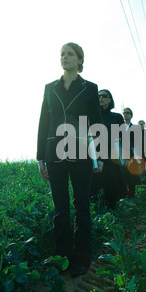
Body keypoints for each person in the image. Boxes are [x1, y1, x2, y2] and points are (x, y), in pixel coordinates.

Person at [37, 42, 103, 278]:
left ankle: (82, 259)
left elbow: (96, 123)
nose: (64, 57)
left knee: (82, 206)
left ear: (79, 60)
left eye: (70, 54)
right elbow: (44, 122)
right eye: (62, 54)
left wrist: (98, 156)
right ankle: (62, 257)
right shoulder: (49, 88)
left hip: (80, 151)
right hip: (54, 152)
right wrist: (39, 157)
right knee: (60, 209)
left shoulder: (89, 88)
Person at [90, 90, 127, 209]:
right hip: (95, 155)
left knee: (111, 184)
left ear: (110, 99)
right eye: (99, 96)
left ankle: (112, 214)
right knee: (95, 185)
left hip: (112, 156)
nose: (101, 98)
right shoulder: (92, 115)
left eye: (104, 96)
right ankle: (97, 214)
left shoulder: (117, 117)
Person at [122, 108, 142, 198]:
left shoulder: (135, 128)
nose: (125, 114)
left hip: (131, 154)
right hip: (120, 154)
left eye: (128, 113)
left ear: (131, 115)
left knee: (131, 177)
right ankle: (122, 196)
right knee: (121, 176)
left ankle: (131, 197)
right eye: (124, 113)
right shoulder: (119, 127)